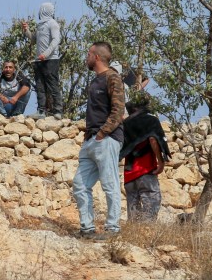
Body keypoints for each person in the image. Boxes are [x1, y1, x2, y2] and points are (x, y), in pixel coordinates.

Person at [71, 41, 125, 238]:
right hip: (90, 140)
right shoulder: (95, 80)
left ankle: (112, 229)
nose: (86, 57)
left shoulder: (112, 77)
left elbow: (118, 111)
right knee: (79, 184)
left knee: (109, 184)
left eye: (88, 54)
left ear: (97, 57)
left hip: (107, 138)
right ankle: (87, 229)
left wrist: (103, 133)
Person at [118, 92, 167, 222]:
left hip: (129, 173)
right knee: (151, 204)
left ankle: (133, 237)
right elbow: (153, 139)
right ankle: (146, 236)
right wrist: (160, 162)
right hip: (145, 170)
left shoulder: (125, 124)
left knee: (133, 212)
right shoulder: (150, 120)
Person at [23, 3, 62, 117]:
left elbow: (56, 40)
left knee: (53, 85)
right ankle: (41, 110)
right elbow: (33, 39)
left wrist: (45, 54)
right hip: (39, 60)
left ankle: (58, 111)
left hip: (51, 60)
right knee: (40, 85)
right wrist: (26, 30)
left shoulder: (53, 24)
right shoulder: (40, 25)